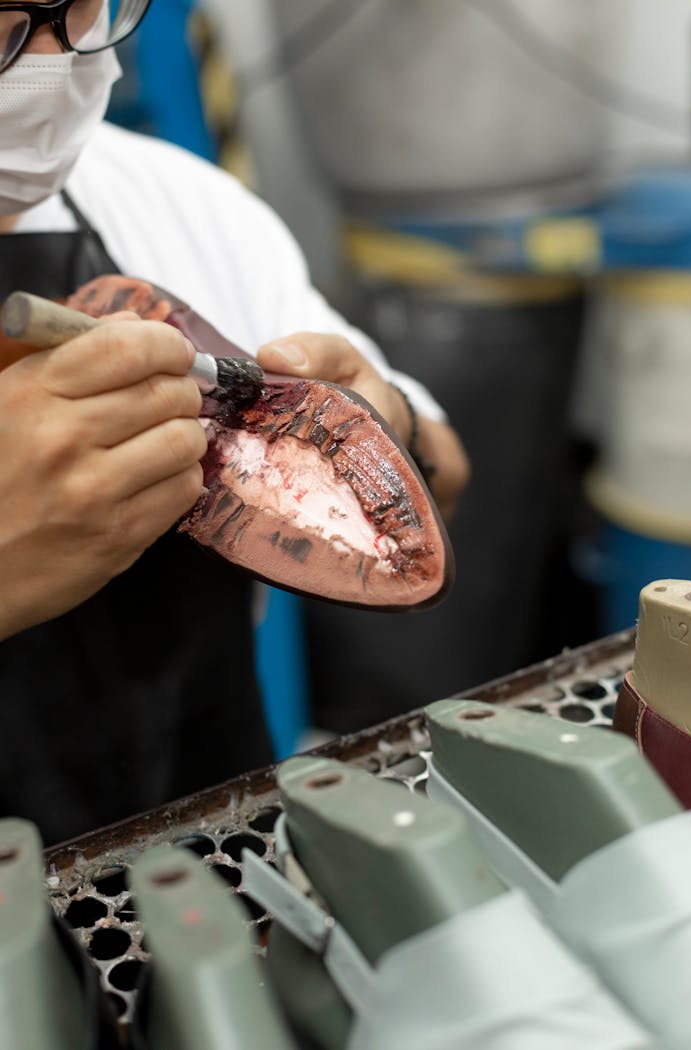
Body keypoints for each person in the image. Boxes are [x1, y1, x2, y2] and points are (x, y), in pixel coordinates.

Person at [0, 0, 468, 844]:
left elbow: (447, 473)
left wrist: (379, 428)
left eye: (83, 12)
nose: (51, 65)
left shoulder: (179, 204)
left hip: (214, 844)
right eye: (2, 29)